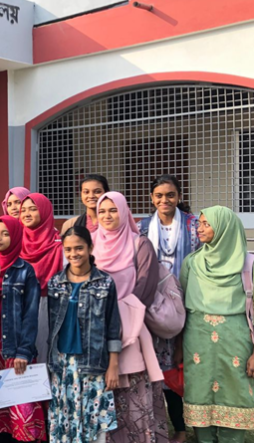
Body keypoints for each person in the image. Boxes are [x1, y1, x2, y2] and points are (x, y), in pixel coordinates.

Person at [91, 192, 167, 443]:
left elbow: (145, 287)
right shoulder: (90, 242)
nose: (107, 216)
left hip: (132, 330)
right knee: (103, 401)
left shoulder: (139, 244)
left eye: (113, 210)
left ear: (124, 211)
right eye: (102, 211)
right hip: (96, 332)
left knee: (134, 401)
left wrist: (119, 317)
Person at [180, 206, 254, 442]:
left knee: (236, 395)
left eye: (206, 224)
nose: (199, 229)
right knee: (199, 394)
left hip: (236, 342)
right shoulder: (191, 263)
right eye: (199, 223)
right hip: (197, 341)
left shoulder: (248, 265)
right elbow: (182, 303)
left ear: (224, 228)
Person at [138, 175, 201, 442]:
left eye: (170, 195)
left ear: (179, 196)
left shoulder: (193, 226)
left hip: (187, 302)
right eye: (159, 195)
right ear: (152, 198)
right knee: (156, 368)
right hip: (154, 307)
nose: (165, 200)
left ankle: (185, 428)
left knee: (179, 366)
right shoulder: (142, 228)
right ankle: (155, 426)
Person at [47, 226, 120, 443]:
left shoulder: (105, 283)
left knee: (93, 422)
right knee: (64, 420)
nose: (74, 254)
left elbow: (113, 326)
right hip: (62, 364)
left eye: (79, 248)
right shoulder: (55, 283)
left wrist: (113, 365)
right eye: (68, 249)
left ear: (90, 247)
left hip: (92, 362)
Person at [0, 215, 44, 443]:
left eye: (6, 233)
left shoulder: (25, 270)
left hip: (13, 346)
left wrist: (24, 352)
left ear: (16, 237)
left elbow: (31, 314)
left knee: (20, 409)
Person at [20, 193, 65, 363]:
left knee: (45, 357)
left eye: (33, 209)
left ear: (44, 211)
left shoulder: (59, 246)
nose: (27, 214)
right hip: (18, 304)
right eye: (23, 210)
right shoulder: (15, 242)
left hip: (48, 305)